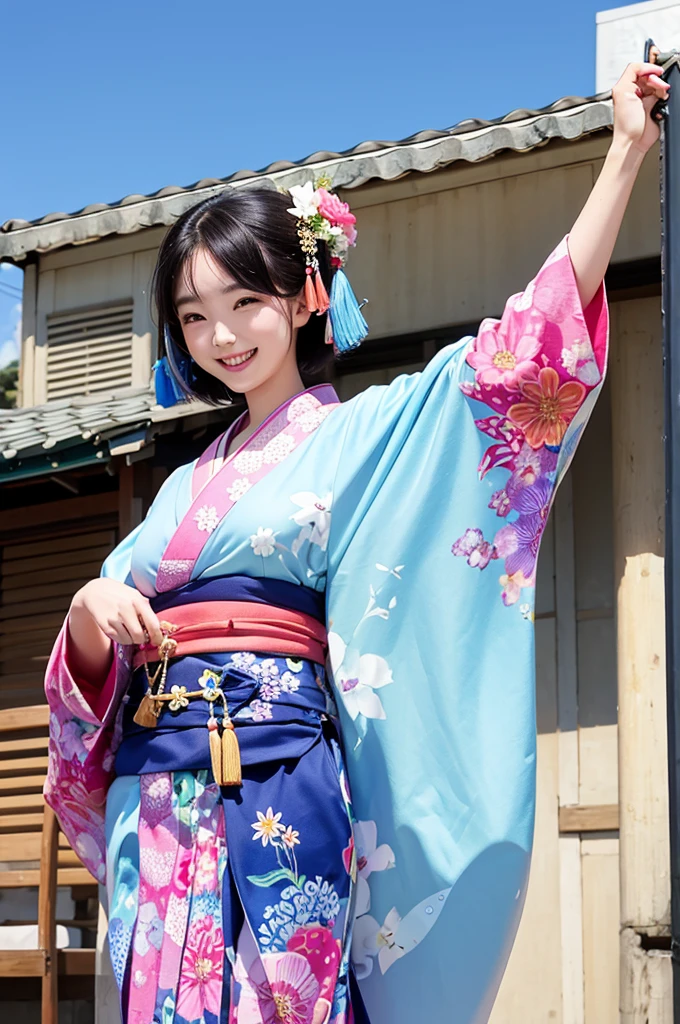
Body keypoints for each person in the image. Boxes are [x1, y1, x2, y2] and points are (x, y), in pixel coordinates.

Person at [43, 62, 667, 1024]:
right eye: (194, 317)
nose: (221, 336)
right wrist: (89, 613)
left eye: (245, 303)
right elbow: (95, 658)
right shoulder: (176, 490)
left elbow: (510, 362)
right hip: (156, 809)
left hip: (279, 788)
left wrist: (626, 152)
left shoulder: (363, 434)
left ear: (302, 296)